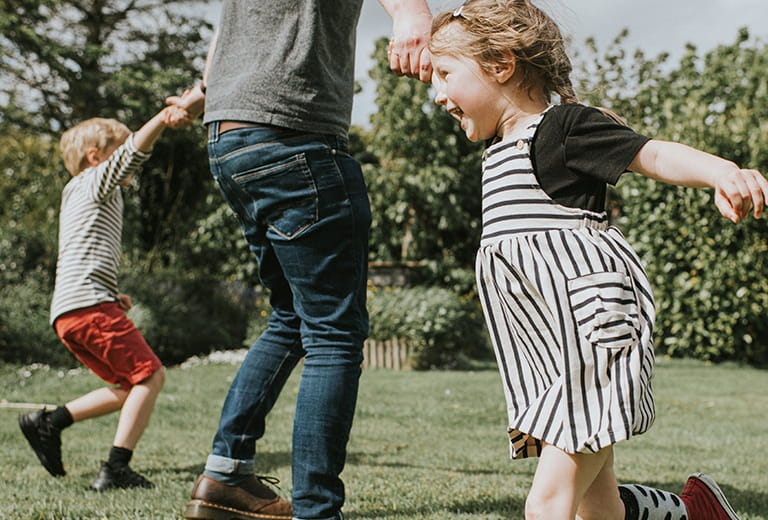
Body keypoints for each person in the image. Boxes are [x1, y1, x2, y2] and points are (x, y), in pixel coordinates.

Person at [428, 1, 767, 519]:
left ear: (501, 64)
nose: (437, 93)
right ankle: (695, 513)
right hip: (552, 358)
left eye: (446, 73)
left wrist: (721, 172)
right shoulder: (499, 150)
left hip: (590, 343)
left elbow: (649, 153)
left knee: (546, 506)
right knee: (596, 509)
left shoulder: (561, 128)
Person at [165, 1, 433, 519]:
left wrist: (206, 92)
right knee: (334, 331)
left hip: (229, 135)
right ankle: (317, 511)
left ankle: (225, 475)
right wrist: (412, 14)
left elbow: (227, 39)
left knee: (292, 314)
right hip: (294, 131)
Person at [18, 105, 193, 491]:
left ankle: (50, 422)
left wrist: (111, 293)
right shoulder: (96, 179)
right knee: (150, 376)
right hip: (89, 307)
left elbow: (81, 251)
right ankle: (116, 468)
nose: (129, 159)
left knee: (129, 387)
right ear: (96, 157)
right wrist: (164, 119)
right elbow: (135, 151)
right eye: (117, 147)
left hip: (70, 311)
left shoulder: (77, 193)